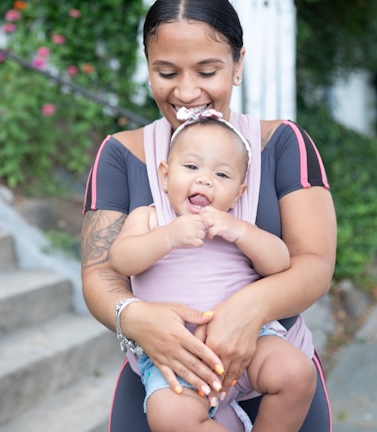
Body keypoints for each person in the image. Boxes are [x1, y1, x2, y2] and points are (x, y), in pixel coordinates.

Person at [80, 1, 337, 430]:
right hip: (171, 381)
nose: (186, 92)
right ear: (146, 67)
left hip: (270, 365)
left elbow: (313, 263)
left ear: (238, 65)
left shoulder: (282, 143)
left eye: (206, 71)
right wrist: (138, 318)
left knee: (292, 375)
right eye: (166, 73)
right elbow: (100, 274)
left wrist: (248, 308)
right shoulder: (122, 154)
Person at [109, 110, 316, 431]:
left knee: (297, 373)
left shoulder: (237, 224)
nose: (204, 179)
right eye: (191, 167)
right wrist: (168, 237)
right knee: (170, 416)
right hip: (176, 352)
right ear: (164, 175)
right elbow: (121, 260)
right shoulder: (149, 218)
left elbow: (280, 263)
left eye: (222, 175)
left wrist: (241, 232)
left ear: (239, 192)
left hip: (250, 340)